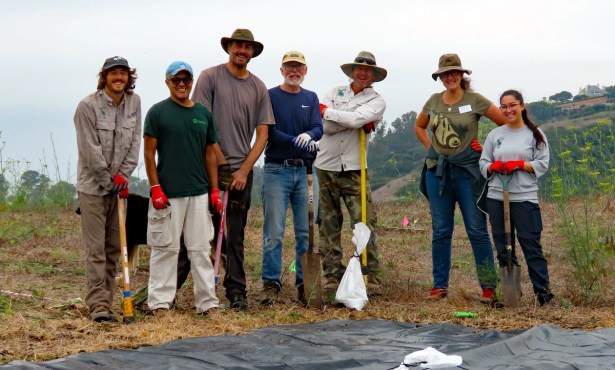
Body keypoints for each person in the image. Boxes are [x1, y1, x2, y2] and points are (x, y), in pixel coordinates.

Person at [191, 28, 275, 309]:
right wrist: (221, 164)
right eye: (238, 45)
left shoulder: (258, 87)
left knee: (235, 234)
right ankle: (182, 292)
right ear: (229, 48)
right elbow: (202, 123)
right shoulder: (209, 77)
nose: (242, 51)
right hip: (207, 167)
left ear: (252, 53)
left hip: (241, 171)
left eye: (247, 47)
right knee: (199, 231)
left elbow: (262, 134)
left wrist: (242, 172)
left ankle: (236, 291)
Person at [415, 53, 507, 303]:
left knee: (477, 230)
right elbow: (419, 126)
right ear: (440, 77)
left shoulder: (475, 100)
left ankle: (488, 287)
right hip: (438, 172)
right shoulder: (434, 101)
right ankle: (439, 285)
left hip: (468, 172)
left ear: (462, 75)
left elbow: (503, 124)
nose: (450, 76)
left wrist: (487, 149)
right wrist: (430, 150)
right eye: (445, 73)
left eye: (454, 72)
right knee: (441, 231)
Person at [143, 61, 221, 315]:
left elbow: (210, 154)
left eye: (186, 80)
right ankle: (160, 303)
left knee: (200, 250)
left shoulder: (202, 114)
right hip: (168, 194)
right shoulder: (158, 113)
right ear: (167, 82)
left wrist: (214, 190)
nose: (182, 85)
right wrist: (155, 186)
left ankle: (207, 303)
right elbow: (148, 152)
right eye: (176, 80)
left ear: (192, 83)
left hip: (198, 192)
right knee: (166, 248)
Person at [74, 56, 141, 322]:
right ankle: (98, 305)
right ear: (104, 77)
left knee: (114, 247)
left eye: (123, 73)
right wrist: (109, 180)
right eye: (113, 73)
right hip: (93, 188)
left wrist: (124, 175)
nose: (119, 78)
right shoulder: (87, 106)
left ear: (128, 77)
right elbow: (89, 150)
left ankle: (110, 301)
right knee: (96, 248)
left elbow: (135, 142)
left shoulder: (134, 103)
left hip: (119, 188)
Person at [315, 51, 387, 293]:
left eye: (368, 70)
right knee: (328, 222)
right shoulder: (334, 92)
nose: (363, 73)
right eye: (359, 68)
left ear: (374, 75)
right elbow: (326, 127)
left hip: (356, 168)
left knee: (364, 222)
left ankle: (370, 275)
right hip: (326, 164)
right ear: (352, 72)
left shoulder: (377, 100)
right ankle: (332, 275)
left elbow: (354, 121)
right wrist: (349, 120)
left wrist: (328, 112)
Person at [479, 89, 554, 305]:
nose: (508, 110)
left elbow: (542, 163)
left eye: (512, 105)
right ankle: (512, 295)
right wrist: (492, 167)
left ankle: (544, 294)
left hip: (524, 198)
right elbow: (483, 162)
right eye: (504, 106)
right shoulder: (495, 135)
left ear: (521, 106)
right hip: (497, 197)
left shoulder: (535, 134)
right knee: (503, 246)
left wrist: (520, 164)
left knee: (531, 245)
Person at [260, 51, 322, 305]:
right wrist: (297, 141)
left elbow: (318, 127)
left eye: (298, 67)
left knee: (305, 232)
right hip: (277, 170)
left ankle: (303, 284)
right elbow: (270, 131)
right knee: (274, 231)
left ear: (305, 71)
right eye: (289, 67)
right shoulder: (271, 96)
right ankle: (271, 283)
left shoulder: (311, 97)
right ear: (282, 70)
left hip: (306, 173)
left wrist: (310, 135)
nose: (294, 71)